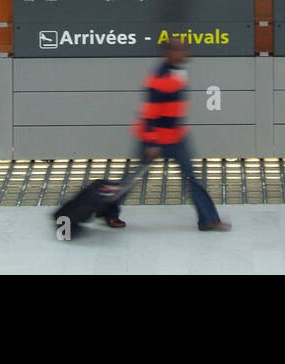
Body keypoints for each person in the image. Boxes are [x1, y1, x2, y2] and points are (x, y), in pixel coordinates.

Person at [97, 38, 232, 232]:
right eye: (180, 50)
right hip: (154, 139)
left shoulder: (177, 71)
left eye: (185, 49)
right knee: (131, 179)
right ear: (169, 53)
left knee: (193, 178)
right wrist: (151, 142)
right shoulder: (159, 78)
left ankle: (209, 220)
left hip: (176, 136)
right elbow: (149, 112)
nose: (185, 53)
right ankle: (108, 212)